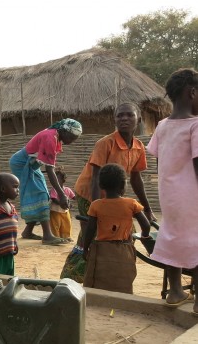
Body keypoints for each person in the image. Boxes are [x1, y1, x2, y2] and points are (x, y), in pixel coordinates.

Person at [60, 103, 155, 282]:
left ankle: (106, 272)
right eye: (120, 116)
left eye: (129, 115)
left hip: (112, 197)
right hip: (90, 194)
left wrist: (148, 209)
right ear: (115, 119)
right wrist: (96, 208)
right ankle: (70, 278)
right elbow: (95, 178)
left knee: (125, 232)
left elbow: (136, 179)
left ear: (138, 119)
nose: (124, 119)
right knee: (91, 234)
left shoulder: (138, 146)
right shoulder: (105, 143)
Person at [146, 68, 198, 310]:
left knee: (172, 236)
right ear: (193, 92)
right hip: (191, 196)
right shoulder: (195, 125)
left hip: (169, 196)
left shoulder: (162, 126)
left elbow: (161, 163)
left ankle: (176, 291)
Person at [9, 119, 82, 245]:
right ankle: (47, 236)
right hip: (22, 164)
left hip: (31, 165)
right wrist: (62, 194)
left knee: (42, 193)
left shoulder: (55, 136)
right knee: (41, 194)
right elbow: (49, 169)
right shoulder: (50, 138)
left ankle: (28, 231)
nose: (72, 141)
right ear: (64, 131)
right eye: (72, 137)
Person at [83, 164, 151, 294]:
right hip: (124, 250)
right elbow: (146, 225)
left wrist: (85, 248)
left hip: (101, 250)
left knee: (98, 282)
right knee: (123, 282)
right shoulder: (131, 204)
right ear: (122, 185)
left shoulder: (95, 205)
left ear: (101, 185)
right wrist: (145, 237)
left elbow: (90, 230)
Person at [49, 166, 75, 241]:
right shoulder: (54, 190)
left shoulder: (67, 189)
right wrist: (61, 203)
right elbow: (53, 199)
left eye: (58, 179)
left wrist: (70, 204)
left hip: (65, 211)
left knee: (67, 224)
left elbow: (73, 197)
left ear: (63, 180)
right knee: (55, 225)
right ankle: (56, 237)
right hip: (55, 211)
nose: (56, 181)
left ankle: (66, 237)